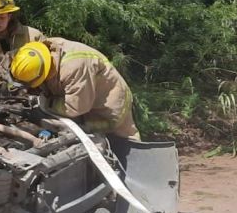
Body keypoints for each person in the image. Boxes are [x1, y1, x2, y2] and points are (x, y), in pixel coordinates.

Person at [10, 38, 140, 140]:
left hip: (109, 106)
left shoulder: (74, 68)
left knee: (124, 142)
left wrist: (48, 103)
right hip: (85, 99)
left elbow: (76, 107)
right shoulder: (44, 51)